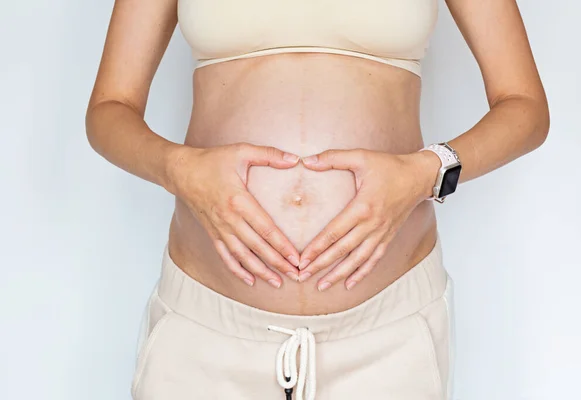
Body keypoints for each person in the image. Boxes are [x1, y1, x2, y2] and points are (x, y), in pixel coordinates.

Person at [85, 0, 549, 398]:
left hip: (388, 336)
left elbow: (524, 105)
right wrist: (179, 169)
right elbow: (110, 109)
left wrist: (423, 172)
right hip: (203, 334)